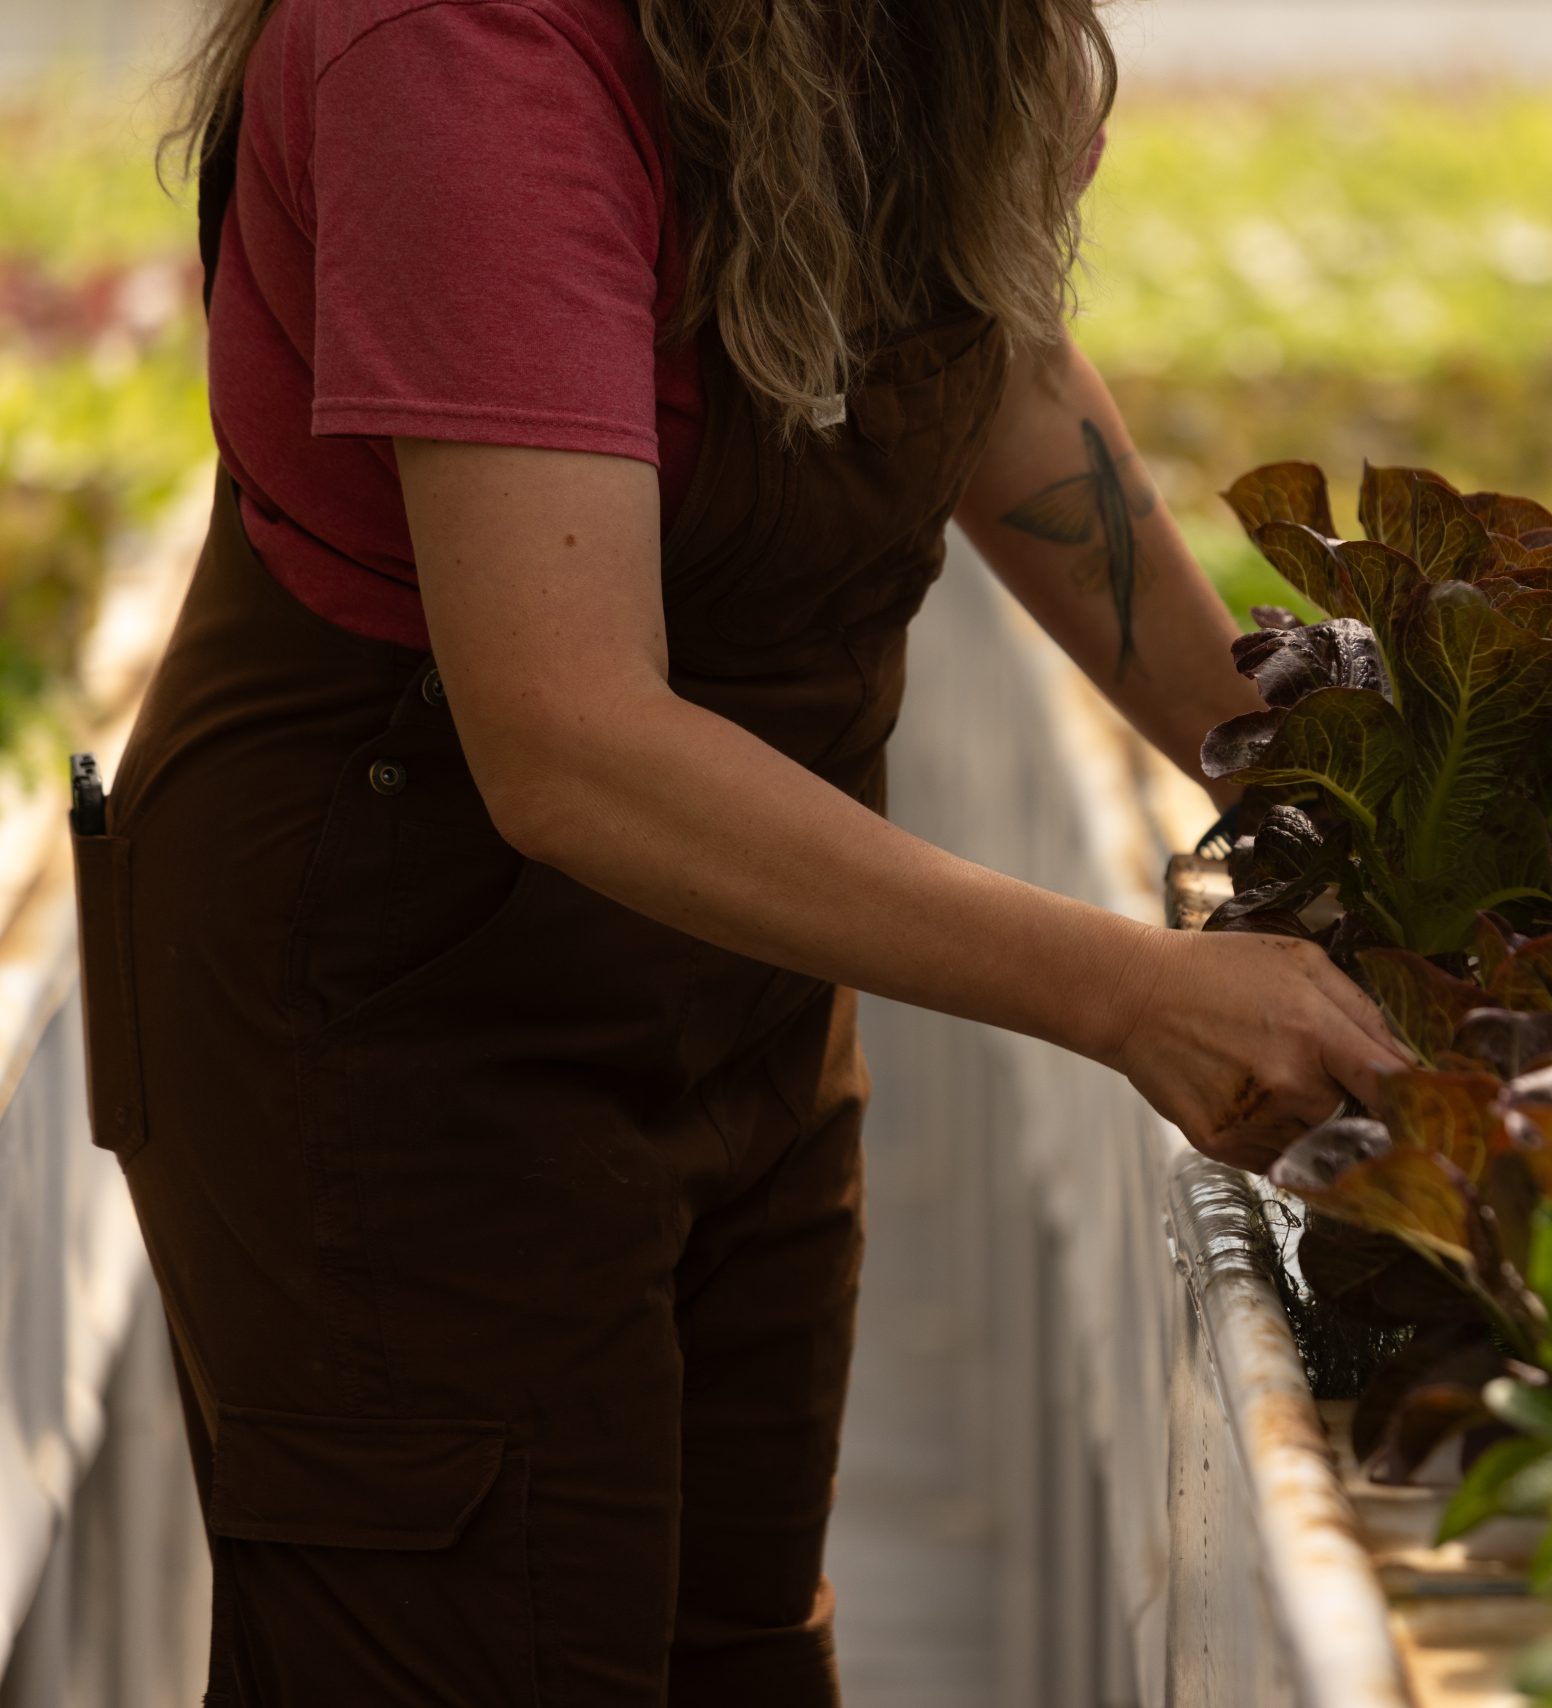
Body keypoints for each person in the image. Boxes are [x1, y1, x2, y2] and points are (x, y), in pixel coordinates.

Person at [74, 1, 1403, 1701]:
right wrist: (1133, 991)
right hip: (390, 1009)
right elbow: (568, 735)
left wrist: (1319, 788)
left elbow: (988, 366)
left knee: (735, 1653)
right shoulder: (462, 48)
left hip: (741, 969)